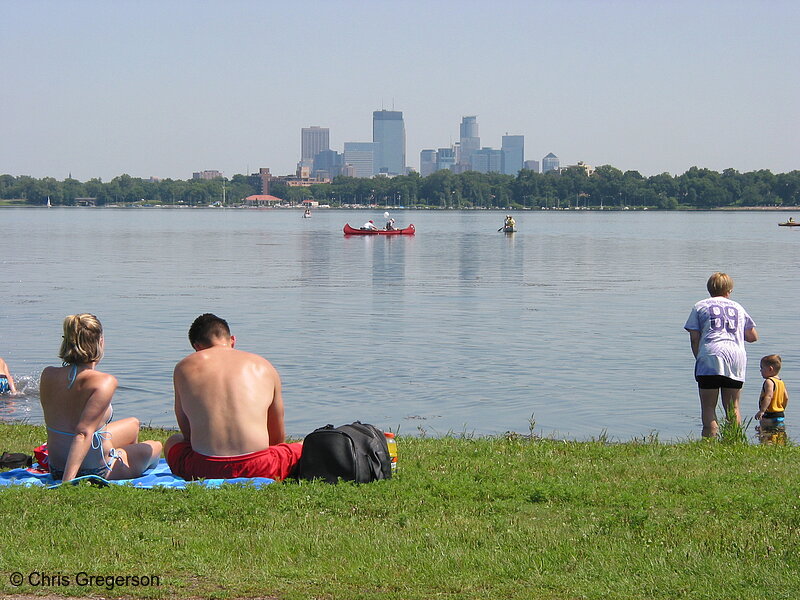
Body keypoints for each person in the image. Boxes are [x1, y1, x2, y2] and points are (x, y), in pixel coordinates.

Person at [164, 314, 303, 481]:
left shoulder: (183, 367)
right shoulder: (263, 365)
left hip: (202, 469)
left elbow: (188, 433)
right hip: (260, 467)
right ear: (233, 340)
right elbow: (277, 435)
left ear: (197, 347)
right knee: (303, 446)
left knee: (174, 441)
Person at [39, 314, 162, 481]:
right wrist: (66, 483)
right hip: (93, 470)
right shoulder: (104, 382)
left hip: (56, 465)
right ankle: (119, 463)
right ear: (100, 341)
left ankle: (118, 455)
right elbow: (82, 433)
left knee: (133, 424)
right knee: (155, 446)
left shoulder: (48, 374)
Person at [684, 272, 758, 437]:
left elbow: (694, 338)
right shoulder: (738, 307)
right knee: (733, 407)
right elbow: (753, 337)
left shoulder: (700, 306)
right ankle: (734, 440)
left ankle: (710, 440)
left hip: (710, 355)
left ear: (709, 288)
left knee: (709, 406)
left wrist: (699, 357)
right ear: (729, 290)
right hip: (735, 358)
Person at [755, 354, 789, 428]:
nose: (760, 370)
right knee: (779, 435)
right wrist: (781, 409)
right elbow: (786, 397)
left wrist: (762, 411)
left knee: (765, 435)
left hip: (769, 415)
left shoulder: (769, 381)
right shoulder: (781, 382)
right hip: (779, 414)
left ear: (770, 369)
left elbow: (768, 396)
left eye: (762, 368)